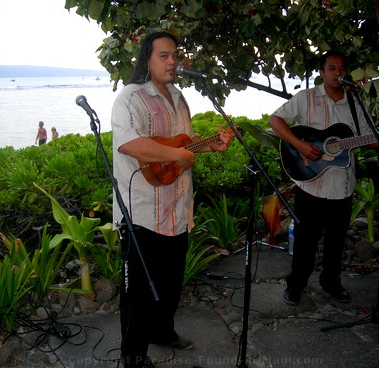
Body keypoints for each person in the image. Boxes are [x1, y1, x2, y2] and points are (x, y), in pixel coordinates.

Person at [111, 31, 232, 368]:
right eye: (163, 55)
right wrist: (176, 154)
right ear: (146, 60)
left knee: (171, 282)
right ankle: (133, 356)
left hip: (178, 209)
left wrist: (211, 145)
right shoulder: (130, 98)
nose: (172, 62)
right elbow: (130, 143)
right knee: (138, 291)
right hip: (143, 213)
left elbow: (184, 143)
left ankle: (162, 332)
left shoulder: (179, 97)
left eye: (175, 56)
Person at [269, 50, 379, 306]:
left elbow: (370, 140)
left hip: (343, 187)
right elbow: (275, 120)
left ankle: (331, 283)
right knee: (305, 242)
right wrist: (299, 145)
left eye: (342, 69)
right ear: (321, 73)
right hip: (311, 183)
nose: (338, 73)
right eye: (332, 68)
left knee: (336, 242)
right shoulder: (306, 98)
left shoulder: (355, 104)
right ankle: (296, 285)